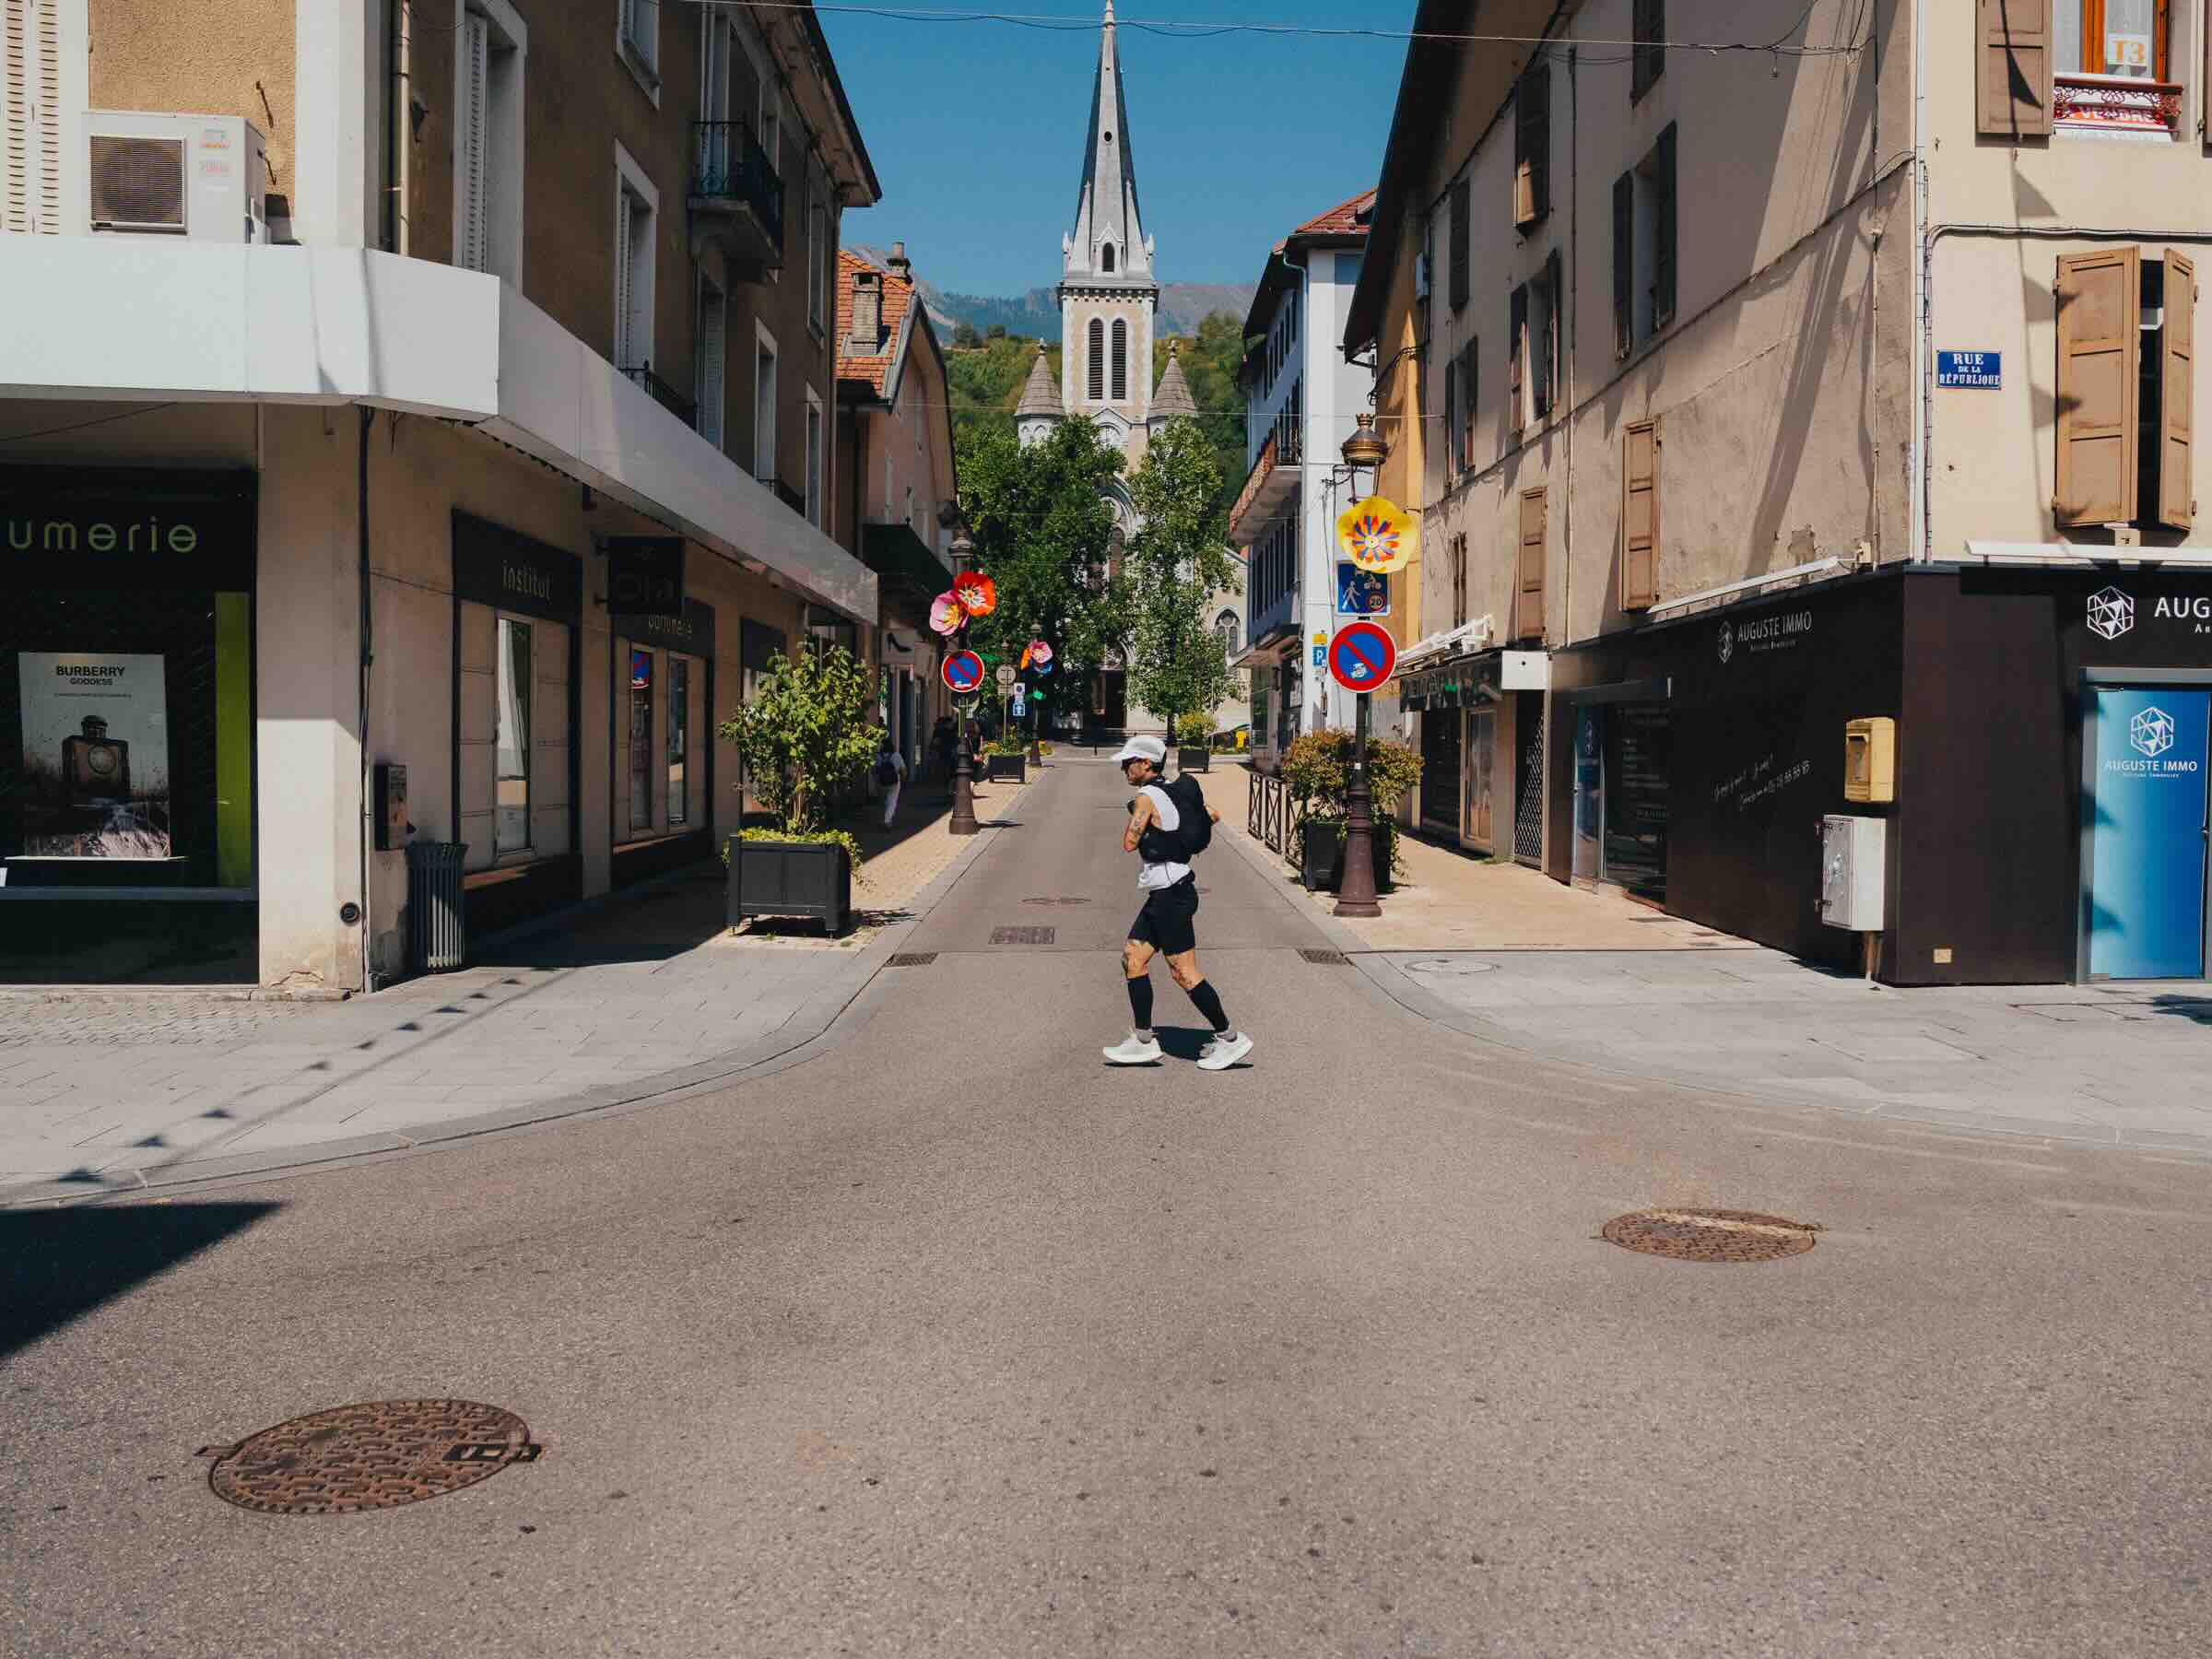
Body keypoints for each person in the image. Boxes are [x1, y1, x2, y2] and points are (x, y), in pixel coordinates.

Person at [1102, 735, 1253, 1071]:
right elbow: (1212, 814)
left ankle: (1229, 1038)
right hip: (1164, 892)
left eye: (1128, 763)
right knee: (1133, 958)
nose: (1124, 769)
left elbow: (1129, 842)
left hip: (1172, 894)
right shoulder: (1173, 790)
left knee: (1183, 972)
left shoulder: (1146, 797)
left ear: (1146, 763)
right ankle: (1143, 1041)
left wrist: (1141, 817)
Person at [873, 731, 907, 829]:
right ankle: (887, 820)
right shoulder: (896, 755)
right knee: (892, 801)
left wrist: (876, 781)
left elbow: (874, 770)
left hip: (882, 782)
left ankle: (887, 818)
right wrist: (903, 780)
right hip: (894, 782)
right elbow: (903, 770)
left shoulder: (877, 756)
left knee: (885, 801)